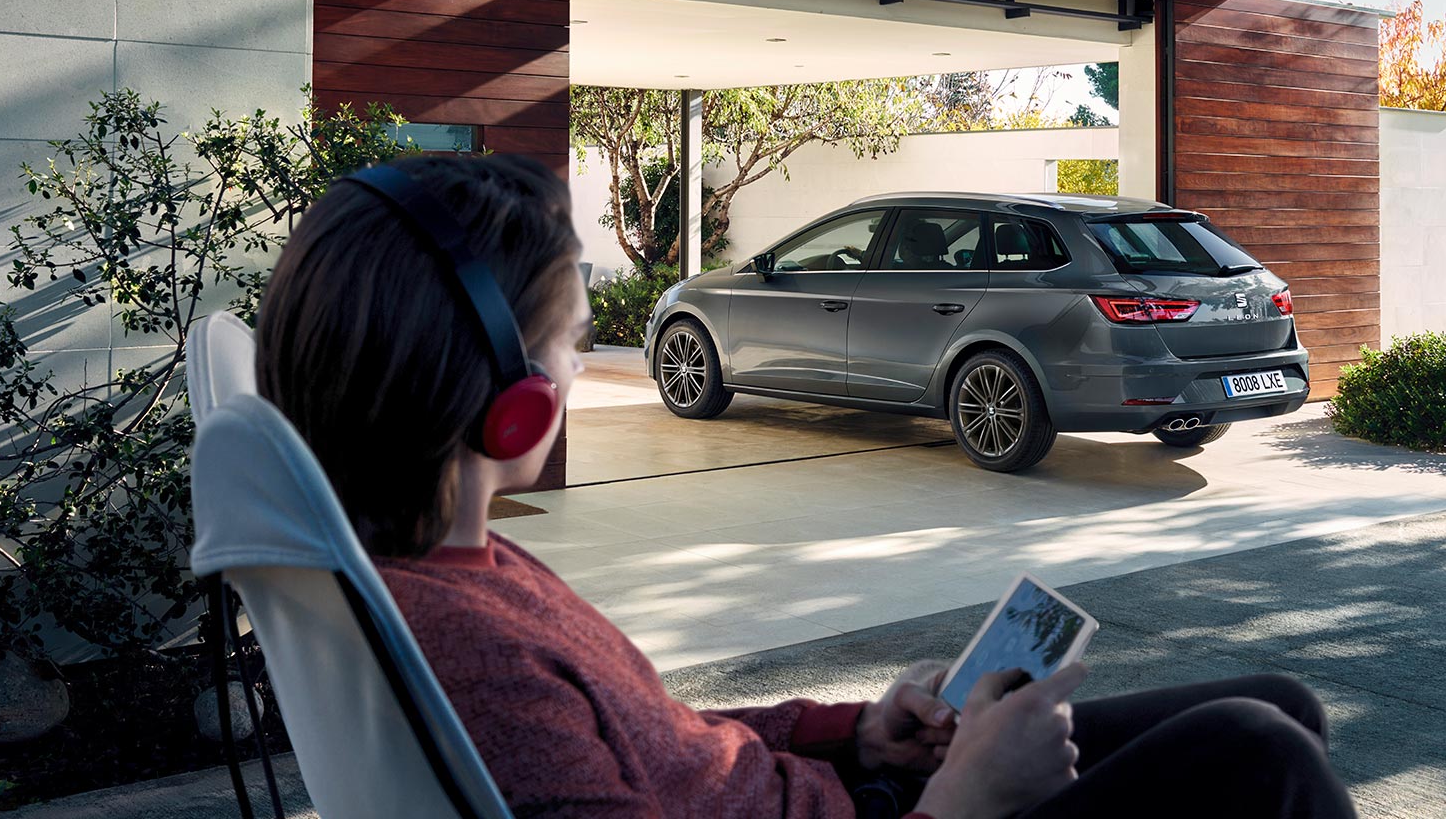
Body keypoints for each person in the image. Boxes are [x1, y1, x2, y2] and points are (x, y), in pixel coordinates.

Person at [254, 154, 1358, 819]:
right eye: (571, 342)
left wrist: (855, 732)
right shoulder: (474, 655)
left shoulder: (465, 565)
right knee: (1253, 757)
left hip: (858, 791)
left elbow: (658, 738)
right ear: (501, 393)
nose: (582, 368)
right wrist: (964, 797)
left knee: (1276, 706)